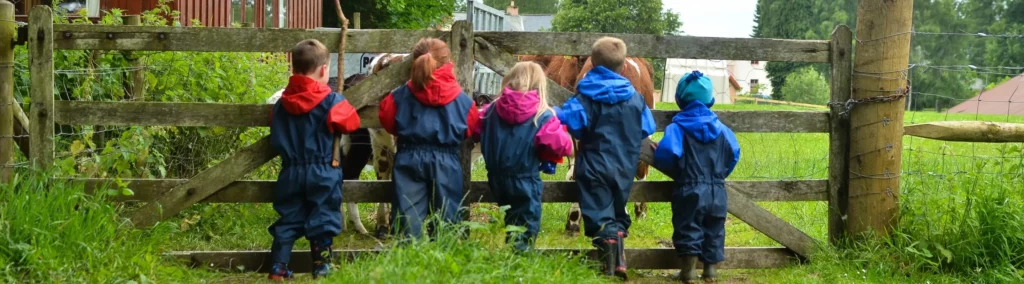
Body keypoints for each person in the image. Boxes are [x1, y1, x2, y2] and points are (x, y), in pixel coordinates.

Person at [557, 37, 656, 279]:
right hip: (625, 164)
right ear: (624, 67)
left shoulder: (584, 97)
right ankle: (618, 258)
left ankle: (610, 264)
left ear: (590, 63)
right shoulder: (635, 98)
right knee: (617, 208)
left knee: (598, 213)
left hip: (593, 163)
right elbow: (647, 127)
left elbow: (573, 125)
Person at [267, 39, 361, 280]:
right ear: (323, 70)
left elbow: (276, 137)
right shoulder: (331, 101)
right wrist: (341, 102)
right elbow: (351, 123)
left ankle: (278, 266)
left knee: (289, 216)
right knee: (323, 216)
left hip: (291, 169)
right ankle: (321, 265)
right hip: (323, 168)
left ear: (293, 68)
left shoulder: (281, 104)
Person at [378, 38, 478, 240]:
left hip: (409, 157)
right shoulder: (464, 101)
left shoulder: (398, 97)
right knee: (446, 219)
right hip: (447, 160)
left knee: (407, 219)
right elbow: (470, 128)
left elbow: (388, 120)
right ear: (448, 63)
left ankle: (408, 261)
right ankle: (442, 262)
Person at [472, 62, 573, 252]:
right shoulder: (542, 115)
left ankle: (512, 255)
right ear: (539, 86)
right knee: (527, 223)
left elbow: (476, 128)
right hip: (525, 178)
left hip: (496, 177)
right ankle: (519, 264)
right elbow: (563, 146)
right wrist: (558, 124)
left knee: (511, 217)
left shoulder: (491, 111)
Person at [650, 71, 740, 283]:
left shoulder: (677, 128)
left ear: (679, 101)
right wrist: (719, 174)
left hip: (689, 186)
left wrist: (666, 158)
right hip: (717, 189)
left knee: (688, 227)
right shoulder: (723, 130)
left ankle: (688, 272)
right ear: (711, 101)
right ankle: (710, 272)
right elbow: (734, 154)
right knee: (715, 229)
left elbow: (667, 154)